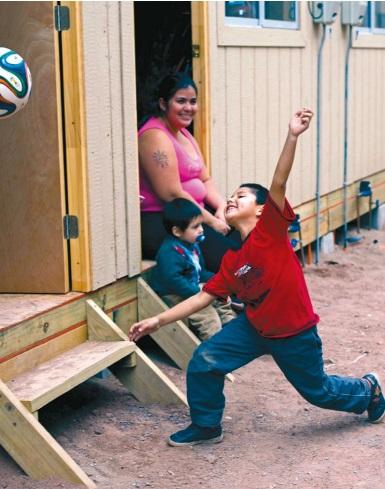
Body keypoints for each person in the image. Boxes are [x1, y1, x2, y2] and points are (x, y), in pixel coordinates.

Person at [130, 108, 385, 447]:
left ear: (262, 209)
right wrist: (157, 321)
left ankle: (369, 391)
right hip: (254, 328)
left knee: (318, 392)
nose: (232, 199)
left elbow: (278, 181)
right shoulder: (233, 259)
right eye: (230, 196)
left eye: (242, 196)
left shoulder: (271, 231)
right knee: (205, 361)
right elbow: (203, 296)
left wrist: (292, 135)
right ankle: (207, 426)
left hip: (294, 332)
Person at [138, 72, 241, 272]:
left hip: (195, 214)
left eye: (193, 102)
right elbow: (172, 194)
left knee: (245, 234)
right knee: (228, 257)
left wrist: (221, 207)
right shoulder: (154, 136)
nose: (188, 108)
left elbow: (205, 178)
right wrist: (211, 222)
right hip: (166, 220)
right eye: (181, 101)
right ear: (163, 103)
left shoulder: (183, 133)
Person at [150, 198, 236, 341]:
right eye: (195, 227)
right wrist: (198, 294)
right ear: (177, 231)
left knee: (220, 295)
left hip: (192, 287)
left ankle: (230, 325)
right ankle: (214, 347)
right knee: (208, 317)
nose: (201, 229)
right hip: (175, 294)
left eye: (201, 224)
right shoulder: (170, 252)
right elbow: (173, 280)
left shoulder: (192, 244)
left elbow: (199, 272)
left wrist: (215, 280)